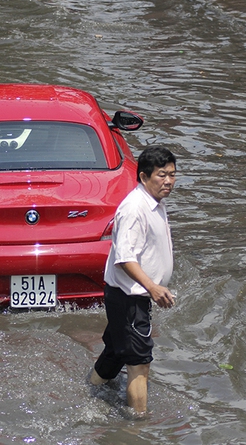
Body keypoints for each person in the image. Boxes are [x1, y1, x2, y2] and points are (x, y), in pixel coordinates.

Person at [90, 145, 177, 415]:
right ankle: (138, 426)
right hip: (129, 298)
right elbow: (125, 258)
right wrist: (152, 287)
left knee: (117, 351)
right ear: (143, 177)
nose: (169, 182)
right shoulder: (134, 208)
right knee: (139, 362)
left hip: (133, 297)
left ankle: (90, 390)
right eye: (162, 175)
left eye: (173, 175)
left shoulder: (154, 204)